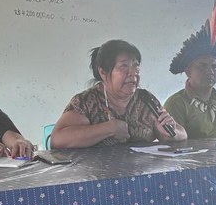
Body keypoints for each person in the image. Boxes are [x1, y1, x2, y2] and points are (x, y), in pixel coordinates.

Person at [51, 40, 186, 148]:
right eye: (124, 66)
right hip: (97, 178)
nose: (133, 73)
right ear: (103, 72)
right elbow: (57, 139)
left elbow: (182, 134)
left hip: (140, 174)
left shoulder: (145, 99)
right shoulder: (86, 102)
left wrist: (171, 132)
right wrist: (108, 129)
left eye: (136, 65)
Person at [164, 0, 216, 139]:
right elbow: (174, 144)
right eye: (202, 66)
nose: (210, 71)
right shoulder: (176, 103)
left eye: (214, 67)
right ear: (188, 71)